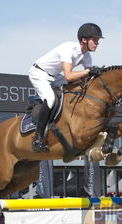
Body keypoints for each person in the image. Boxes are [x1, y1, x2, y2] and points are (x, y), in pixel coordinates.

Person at [28, 23, 103, 152]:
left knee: (74, 90)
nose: (97, 43)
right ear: (84, 39)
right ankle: (38, 138)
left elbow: (87, 78)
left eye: (98, 40)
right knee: (50, 99)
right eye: (95, 39)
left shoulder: (87, 56)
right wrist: (88, 72)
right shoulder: (68, 48)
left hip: (55, 76)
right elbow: (68, 76)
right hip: (39, 73)